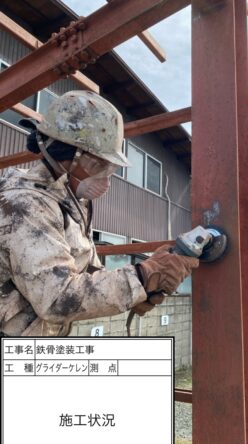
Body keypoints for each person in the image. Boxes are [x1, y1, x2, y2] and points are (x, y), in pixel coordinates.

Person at [0, 90, 198, 336]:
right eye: (98, 164)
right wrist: (144, 276)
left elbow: (87, 272)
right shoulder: (25, 204)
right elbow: (57, 298)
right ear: (67, 155)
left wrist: (140, 286)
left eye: (110, 167)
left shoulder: (70, 202)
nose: (105, 177)